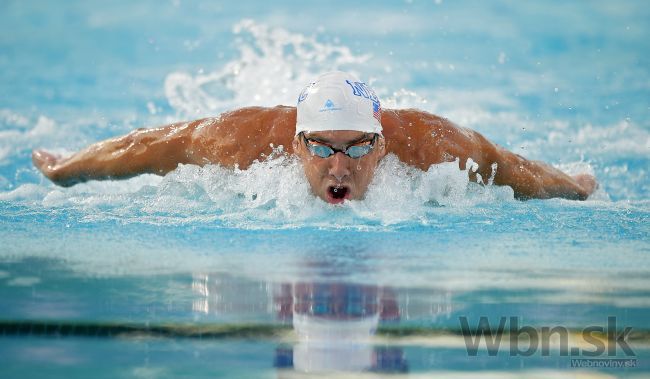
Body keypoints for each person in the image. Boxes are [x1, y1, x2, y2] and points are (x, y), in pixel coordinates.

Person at [32, 71, 597, 203]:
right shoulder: (243, 141)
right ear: (298, 145)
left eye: (357, 147)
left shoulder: (429, 145)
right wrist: (69, 169)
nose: (340, 169)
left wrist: (573, 186)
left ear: (381, 144)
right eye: (323, 147)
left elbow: (507, 165)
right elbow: (149, 147)